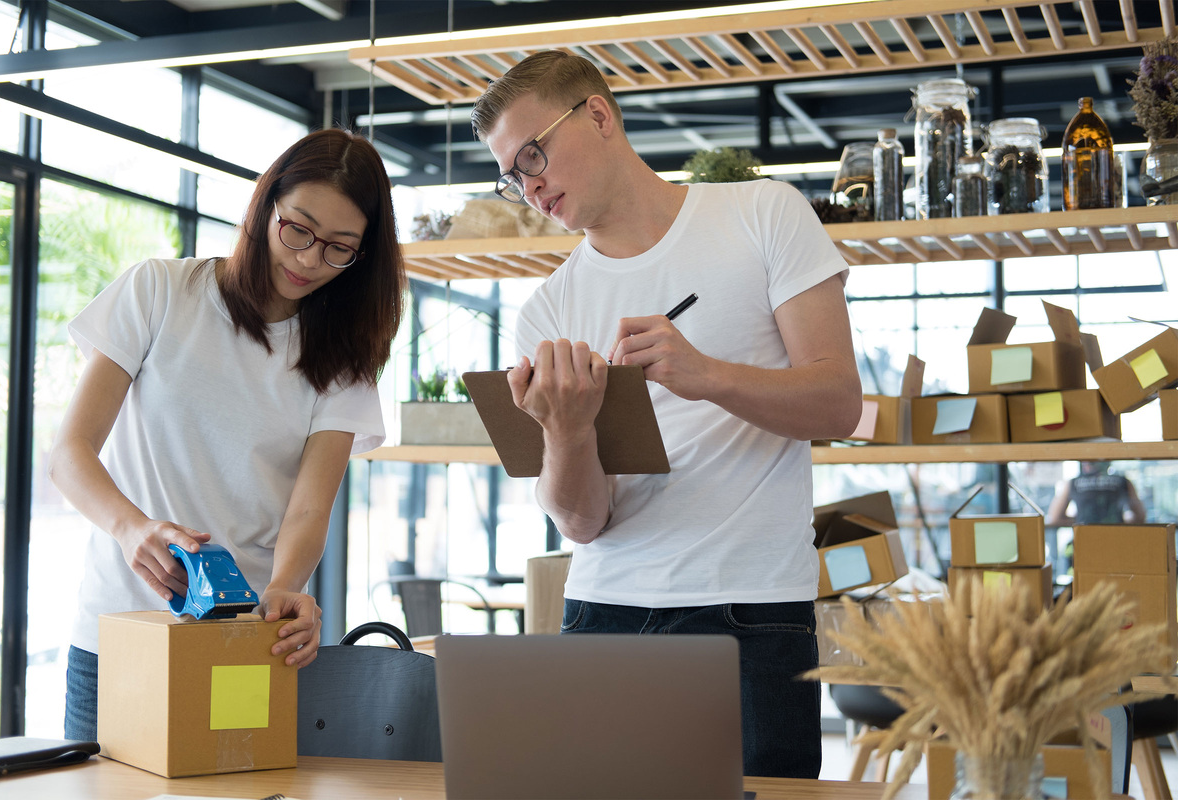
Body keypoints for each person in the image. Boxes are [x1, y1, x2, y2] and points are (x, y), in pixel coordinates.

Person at [470, 51, 861, 779]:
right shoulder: (547, 310)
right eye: (510, 174)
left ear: (597, 114)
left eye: (533, 155)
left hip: (754, 611)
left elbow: (837, 400)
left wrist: (705, 375)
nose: (528, 187)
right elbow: (583, 522)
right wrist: (567, 430)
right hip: (601, 611)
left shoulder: (764, 212)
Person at [49, 128, 406, 742]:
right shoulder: (160, 291)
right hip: (117, 638)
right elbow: (69, 453)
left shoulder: (343, 359)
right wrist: (133, 528)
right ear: (266, 205)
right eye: (298, 229)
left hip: (240, 644)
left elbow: (309, 508)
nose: (308, 260)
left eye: (339, 249)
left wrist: (285, 588)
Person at [1046, 460, 1147, 526]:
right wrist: (1117, 519)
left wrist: (1084, 520)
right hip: (1115, 536)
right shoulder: (1122, 481)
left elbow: (1055, 518)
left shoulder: (1074, 483)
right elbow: (1140, 516)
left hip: (1085, 538)